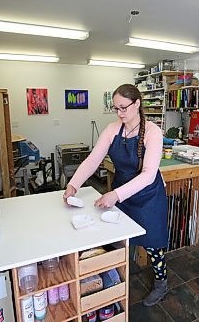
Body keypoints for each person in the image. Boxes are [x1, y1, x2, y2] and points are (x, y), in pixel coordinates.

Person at [63, 83, 169, 306]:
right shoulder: (113, 130)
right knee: (120, 241)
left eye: (123, 108)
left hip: (148, 195)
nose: (120, 113)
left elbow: (149, 174)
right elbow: (93, 160)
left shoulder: (153, 132)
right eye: (116, 108)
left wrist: (115, 195)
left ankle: (161, 283)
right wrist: (74, 184)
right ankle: (117, 282)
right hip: (123, 194)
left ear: (137, 103)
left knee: (153, 245)